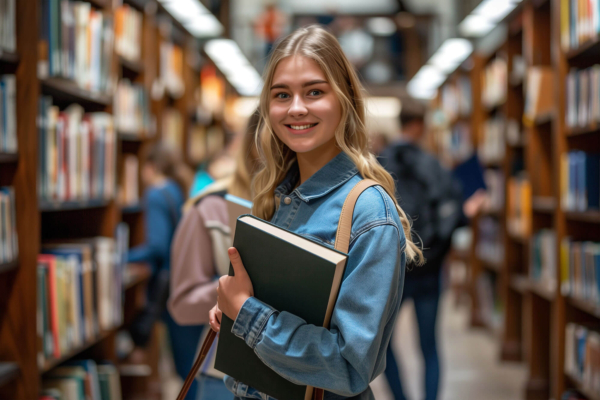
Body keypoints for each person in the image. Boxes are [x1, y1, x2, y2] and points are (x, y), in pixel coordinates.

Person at [207, 25, 423, 400]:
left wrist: (248, 314)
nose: (296, 108)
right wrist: (233, 311)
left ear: (344, 99)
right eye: (281, 95)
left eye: (315, 92)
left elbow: (348, 365)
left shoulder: (369, 212)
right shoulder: (277, 195)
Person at [168, 111, 261, 400]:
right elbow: (182, 305)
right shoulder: (210, 208)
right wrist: (234, 292)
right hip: (225, 377)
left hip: (296, 371)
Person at [378, 111, 466, 400]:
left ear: (400, 124)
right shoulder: (434, 165)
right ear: (419, 126)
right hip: (429, 269)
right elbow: (455, 212)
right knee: (429, 346)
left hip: (392, 273)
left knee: (383, 346)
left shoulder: (378, 165)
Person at [125, 143, 200, 400]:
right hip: (186, 279)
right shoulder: (177, 189)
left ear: (150, 167)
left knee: (183, 367)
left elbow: (157, 246)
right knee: (191, 362)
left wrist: (121, 257)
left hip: (170, 285)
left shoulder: (156, 193)